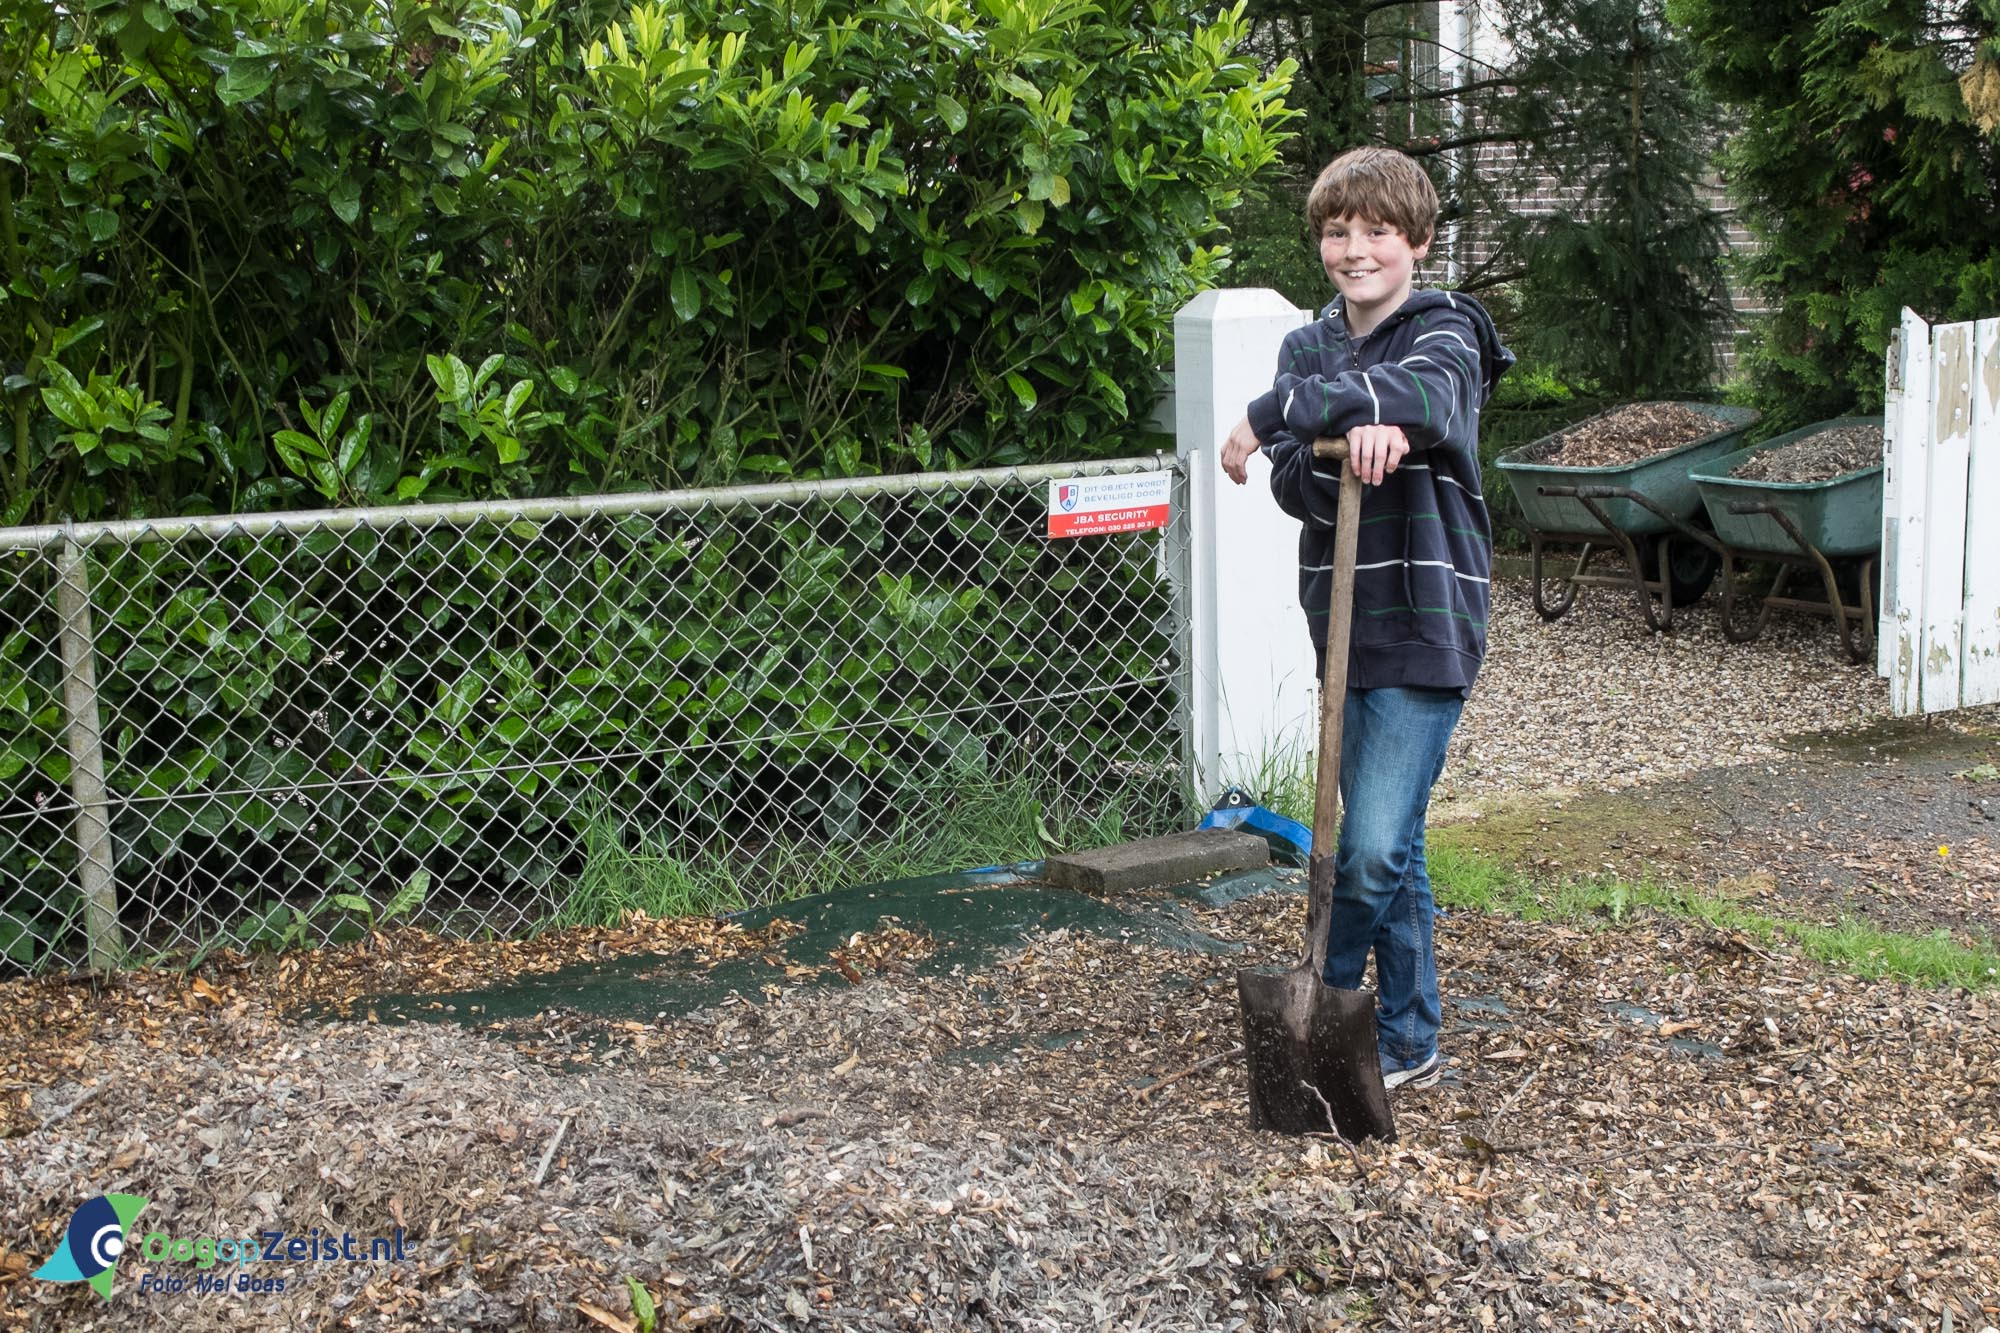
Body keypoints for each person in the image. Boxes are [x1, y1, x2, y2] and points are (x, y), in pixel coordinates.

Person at [1219, 145, 1514, 1091]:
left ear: (1418, 241)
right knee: (1402, 843)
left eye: (1377, 232)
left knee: (1376, 843)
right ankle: (1411, 1032)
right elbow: (1299, 486)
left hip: (1428, 618)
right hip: (1342, 623)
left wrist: (1283, 413)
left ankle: (1325, 989)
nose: (1355, 251)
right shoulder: (1308, 347)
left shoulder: (1450, 331)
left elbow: (1427, 398)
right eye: (1338, 233)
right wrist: (1342, 445)